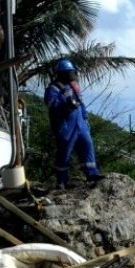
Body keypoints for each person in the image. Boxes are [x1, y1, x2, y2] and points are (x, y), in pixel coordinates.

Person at [44, 58, 100, 189]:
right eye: (69, 72)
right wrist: (65, 103)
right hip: (66, 126)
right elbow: (51, 103)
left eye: (72, 72)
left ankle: (92, 174)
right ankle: (61, 181)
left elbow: (81, 103)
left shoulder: (74, 86)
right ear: (62, 73)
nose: (73, 74)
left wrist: (85, 118)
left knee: (87, 145)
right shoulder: (54, 88)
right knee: (64, 153)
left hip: (80, 124)